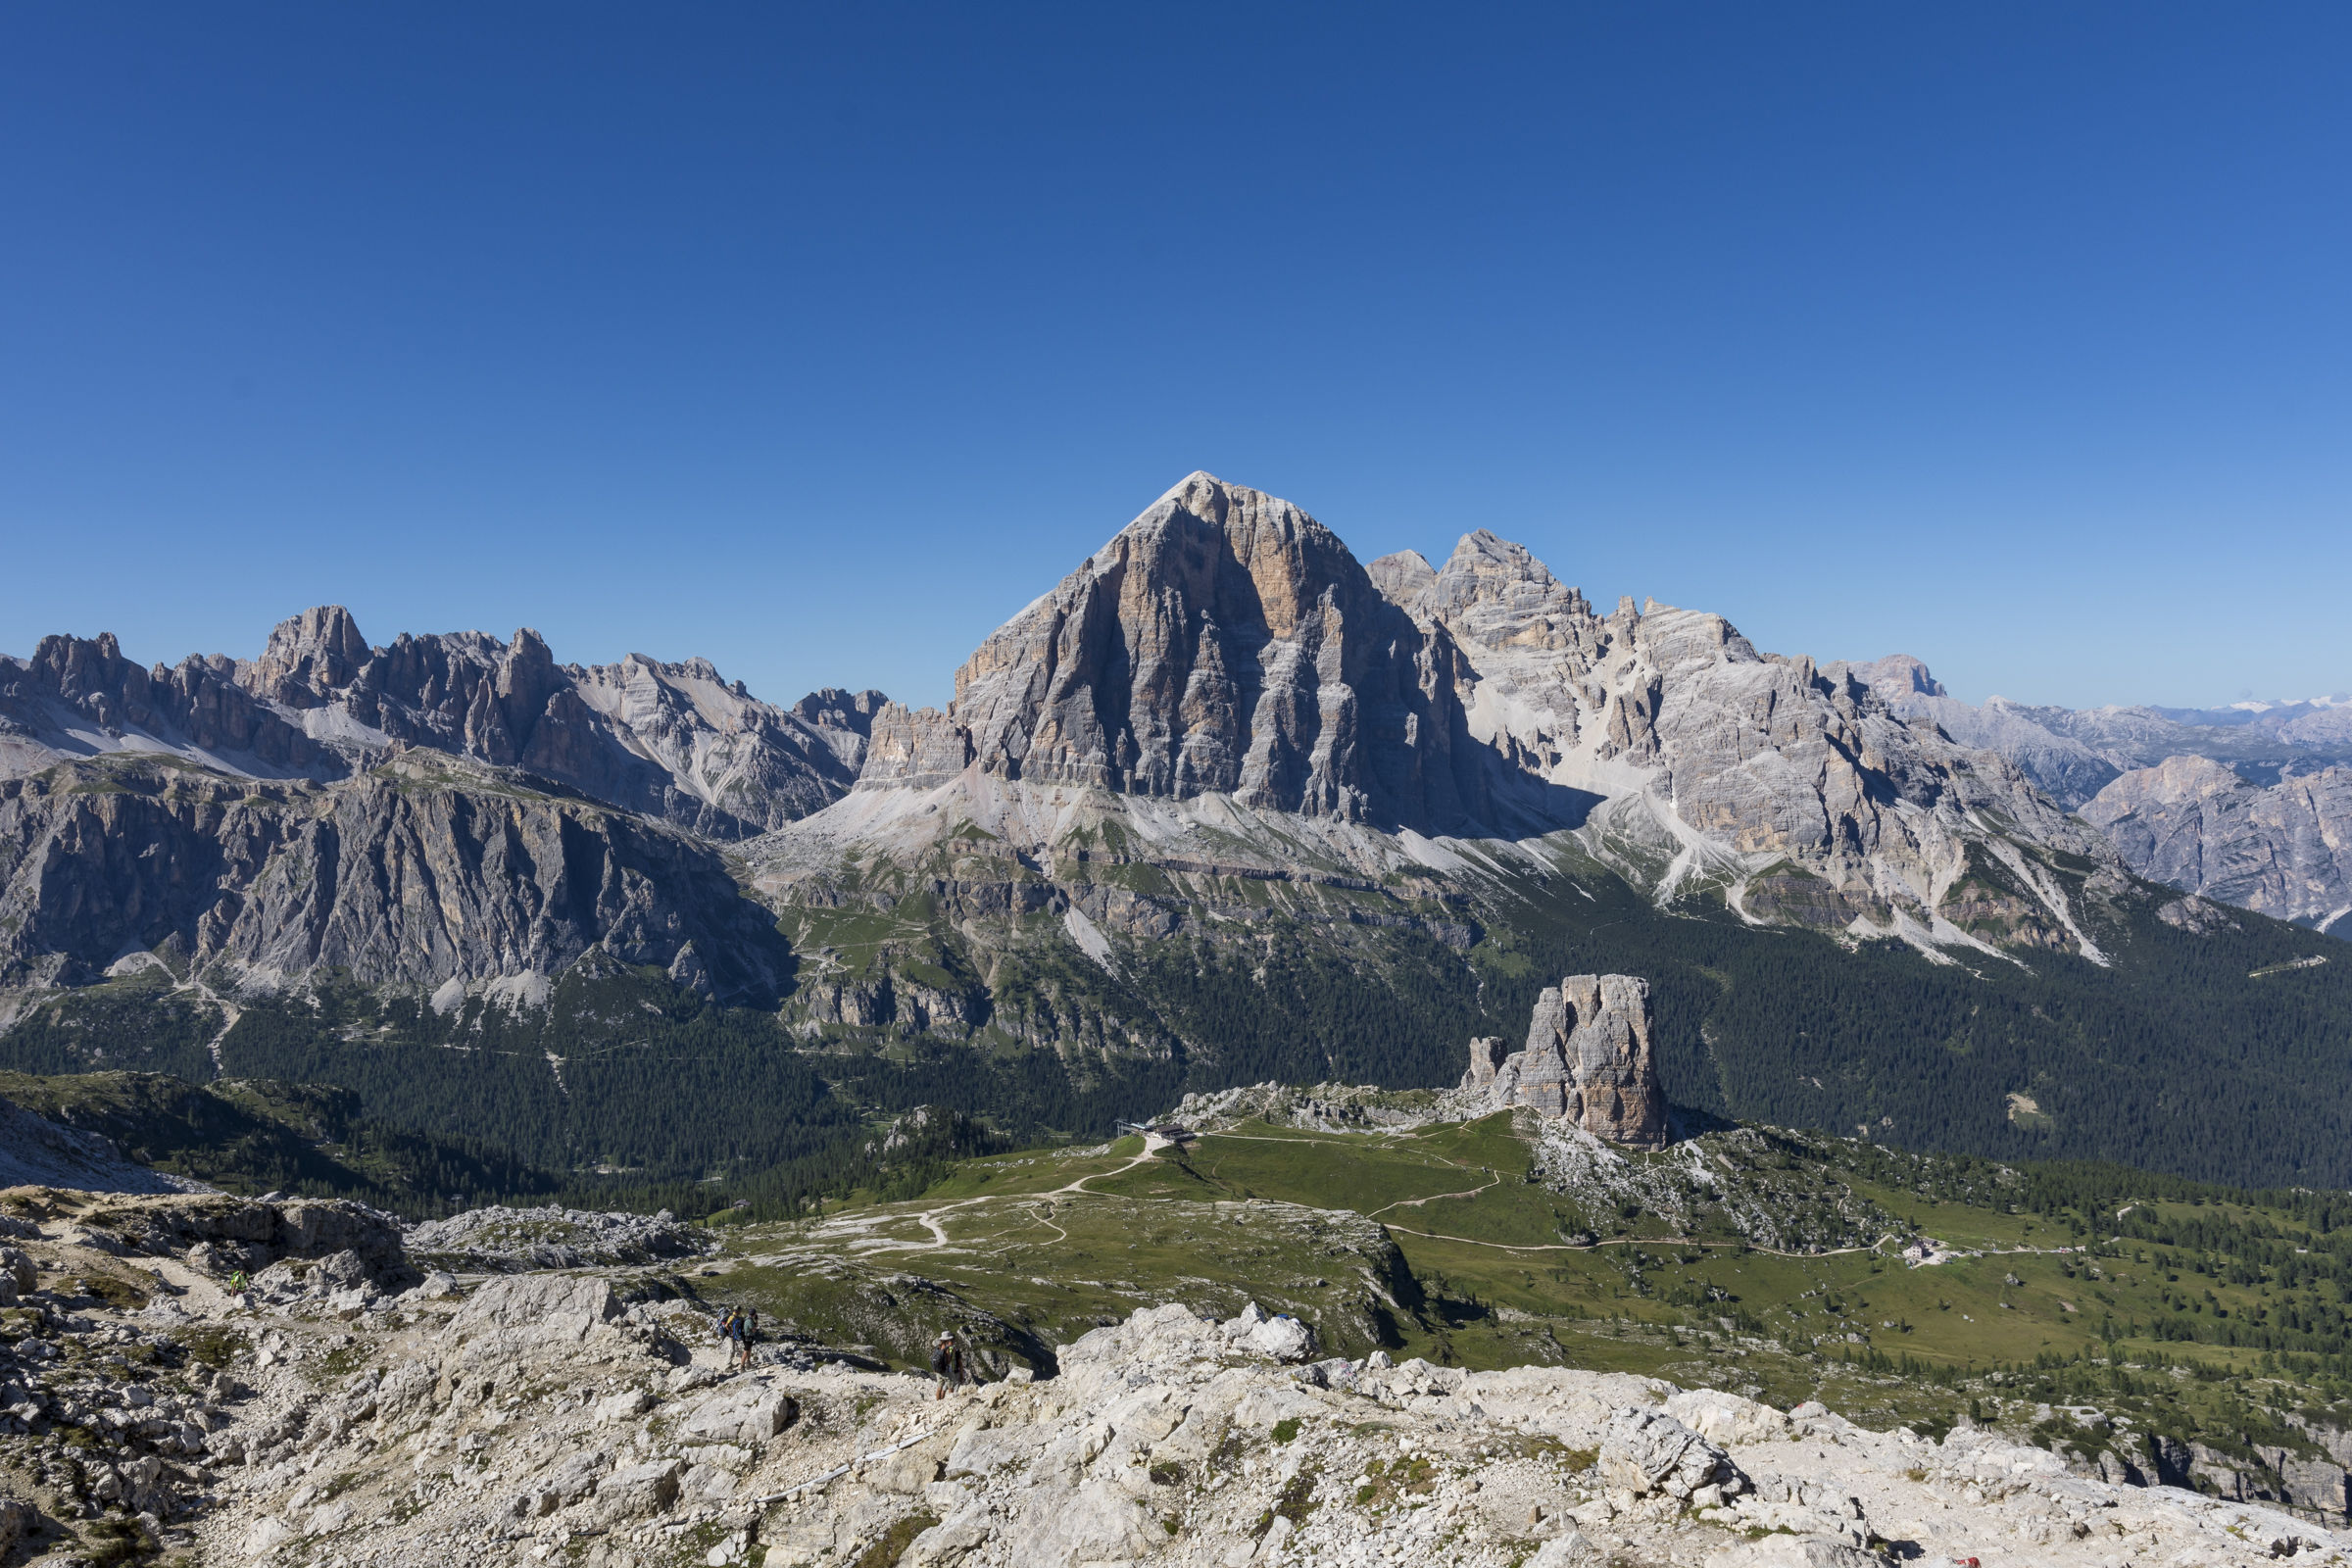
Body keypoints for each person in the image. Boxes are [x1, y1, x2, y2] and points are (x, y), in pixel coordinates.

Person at [928, 1331, 967, 1399]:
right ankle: (950, 1402)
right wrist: (952, 1354)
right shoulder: (947, 1348)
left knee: (939, 1388)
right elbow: (948, 1361)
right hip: (946, 1371)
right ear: (948, 1339)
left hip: (938, 1371)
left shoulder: (938, 1347)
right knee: (951, 1387)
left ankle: (938, 1402)